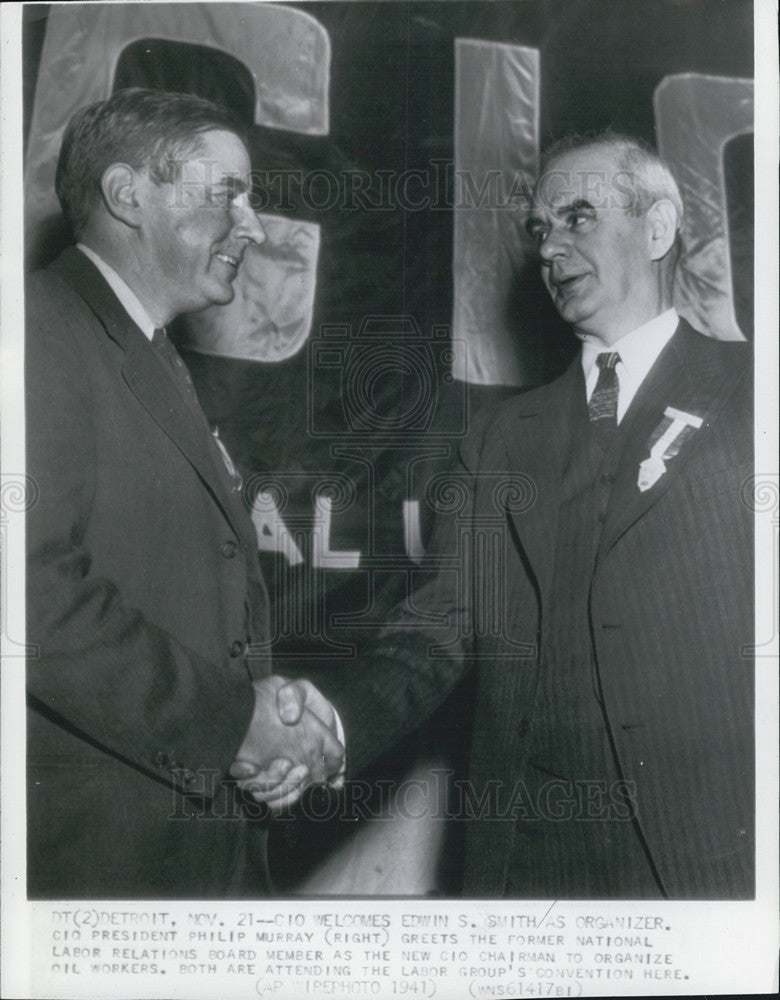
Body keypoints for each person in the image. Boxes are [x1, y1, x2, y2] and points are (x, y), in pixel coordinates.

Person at [270, 131, 754, 899]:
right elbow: (440, 626)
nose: (550, 248)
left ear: (657, 228)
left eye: (579, 217)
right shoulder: (501, 436)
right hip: (530, 861)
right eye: (539, 229)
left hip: (715, 859)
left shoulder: (757, 392)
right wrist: (331, 721)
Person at [25, 88, 343, 899]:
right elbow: (23, 592)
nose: (256, 226)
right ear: (128, 195)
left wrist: (257, 714)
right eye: (229, 193)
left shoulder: (140, 351)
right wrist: (235, 725)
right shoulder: (32, 332)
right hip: (92, 873)